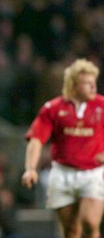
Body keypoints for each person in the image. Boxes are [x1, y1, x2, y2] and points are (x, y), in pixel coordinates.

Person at [22, 59, 104, 238]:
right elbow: (36, 139)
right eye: (87, 83)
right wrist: (30, 169)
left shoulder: (102, 106)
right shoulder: (53, 108)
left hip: (93, 173)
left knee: (90, 222)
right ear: (74, 85)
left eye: (94, 82)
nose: (93, 87)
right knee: (71, 230)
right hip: (62, 173)